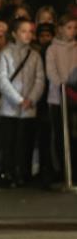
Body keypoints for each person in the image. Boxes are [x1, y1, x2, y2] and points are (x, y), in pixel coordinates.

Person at [0, 17, 45, 187]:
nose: (28, 35)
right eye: (23, 31)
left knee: (26, 142)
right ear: (15, 34)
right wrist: (19, 100)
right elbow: (1, 80)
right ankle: (8, 173)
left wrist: (31, 99)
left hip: (29, 108)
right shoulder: (5, 54)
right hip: (9, 108)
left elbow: (40, 79)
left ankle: (23, 173)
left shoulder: (35, 55)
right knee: (9, 143)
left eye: (30, 31)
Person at [40, 14, 76, 187]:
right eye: (69, 27)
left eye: (75, 28)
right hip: (57, 98)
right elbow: (51, 72)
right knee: (60, 135)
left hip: (75, 97)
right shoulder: (52, 49)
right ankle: (62, 170)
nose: (73, 31)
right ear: (61, 29)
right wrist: (62, 84)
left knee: (74, 135)